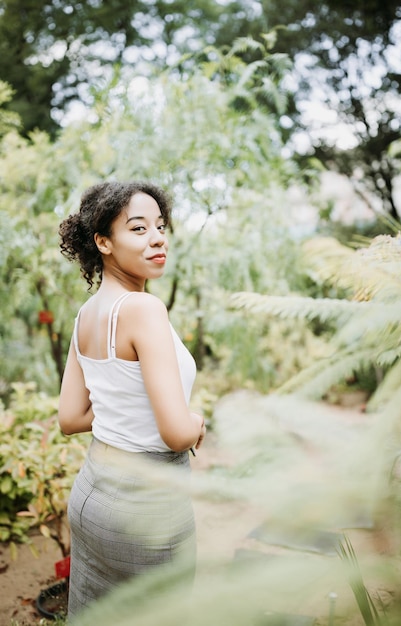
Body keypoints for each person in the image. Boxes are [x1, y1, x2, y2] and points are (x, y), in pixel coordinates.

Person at [58, 180, 206, 619]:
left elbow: (70, 416)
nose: (158, 237)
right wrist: (197, 422)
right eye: (138, 228)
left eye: (160, 226)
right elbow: (177, 434)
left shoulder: (87, 314)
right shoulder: (144, 310)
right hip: (146, 506)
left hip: (94, 495)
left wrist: (127, 410)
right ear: (103, 242)